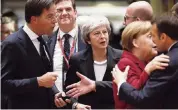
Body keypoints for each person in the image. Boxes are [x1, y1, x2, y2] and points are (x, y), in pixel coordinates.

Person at [1, 0, 60, 108]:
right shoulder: (12, 43)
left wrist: (56, 93)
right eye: (50, 16)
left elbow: (46, 76)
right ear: (34, 19)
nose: (55, 21)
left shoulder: (43, 39)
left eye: (55, 16)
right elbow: (4, 84)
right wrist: (37, 82)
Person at [112, 13, 178, 108]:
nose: (154, 40)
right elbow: (134, 93)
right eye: (149, 36)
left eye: (153, 36)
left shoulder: (150, 61)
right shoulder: (125, 62)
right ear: (135, 42)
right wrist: (147, 70)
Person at [65, 15, 123, 109]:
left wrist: (95, 85)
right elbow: (69, 90)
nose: (102, 36)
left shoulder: (121, 57)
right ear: (88, 40)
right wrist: (76, 105)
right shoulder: (77, 59)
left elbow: (126, 87)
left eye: (105, 32)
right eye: (97, 33)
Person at [47, 0, 86, 108]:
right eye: (59, 10)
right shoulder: (46, 41)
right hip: (54, 103)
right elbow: (44, 72)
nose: (64, 13)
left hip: (82, 103)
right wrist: (55, 93)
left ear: (75, 13)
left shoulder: (88, 39)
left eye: (68, 9)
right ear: (55, 15)